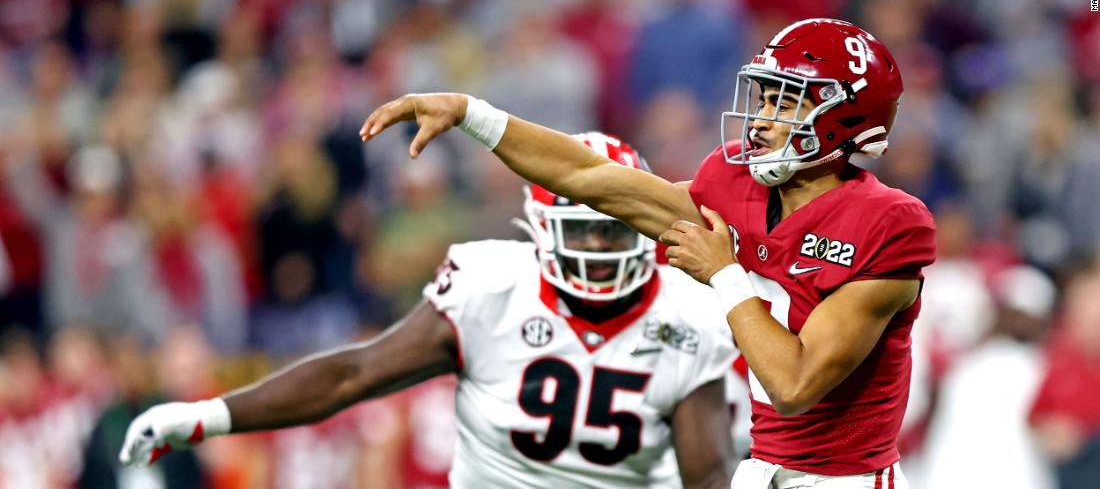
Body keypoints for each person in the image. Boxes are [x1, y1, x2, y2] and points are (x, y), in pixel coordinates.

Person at [360, 18, 936, 488]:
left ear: (843, 117)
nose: (760, 120)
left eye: (784, 104)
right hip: (762, 472)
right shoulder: (735, 184)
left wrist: (726, 274)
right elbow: (587, 175)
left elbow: (795, 384)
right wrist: (471, 114)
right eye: (763, 97)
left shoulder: (888, 223)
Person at [118, 133, 738, 489]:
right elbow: (353, 374)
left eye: (614, 229)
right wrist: (212, 414)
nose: (601, 249)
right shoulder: (488, 284)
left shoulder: (688, 309)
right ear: (541, 228)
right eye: (585, 232)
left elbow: (706, 477)